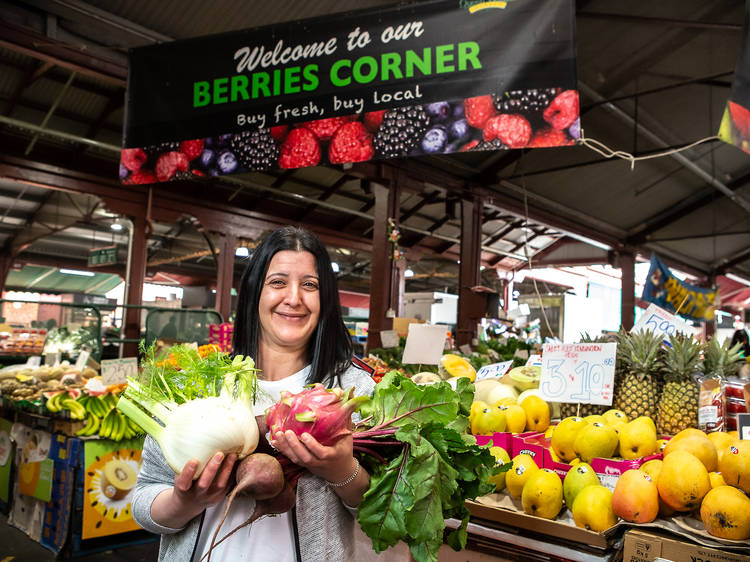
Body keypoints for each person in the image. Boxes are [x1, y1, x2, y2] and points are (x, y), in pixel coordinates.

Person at [131, 226, 375, 561]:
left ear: (326, 299)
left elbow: (379, 511)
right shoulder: (200, 386)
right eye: (278, 282)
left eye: (310, 285)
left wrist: (342, 471)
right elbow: (144, 498)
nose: (294, 298)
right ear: (254, 292)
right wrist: (183, 502)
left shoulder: (352, 391)